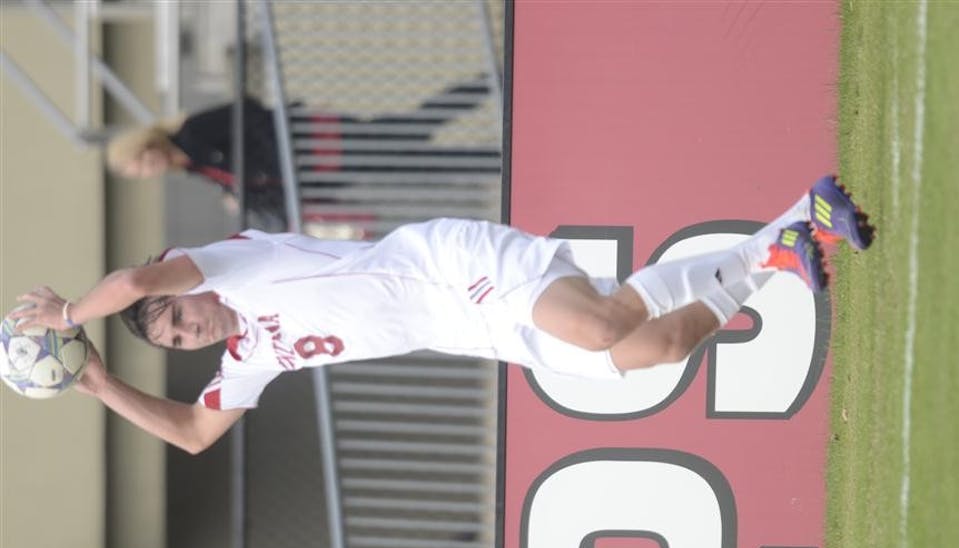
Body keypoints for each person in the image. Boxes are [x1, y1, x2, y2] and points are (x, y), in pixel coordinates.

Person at [12, 176, 872, 456]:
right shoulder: (248, 360)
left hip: (451, 266)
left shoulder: (235, 262)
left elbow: (129, 280)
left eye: (175, 314)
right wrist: (91, 379)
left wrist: (68, 311)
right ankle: (785, 240)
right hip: (476, 330)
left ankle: (790, 233)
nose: (185, 329)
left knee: (604, 325)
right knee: (656, 347)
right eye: (172, 337)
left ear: (181, 279)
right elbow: (195, 435)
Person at [105, 77, 499, 231]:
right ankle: (493, 154)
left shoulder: (193, 133)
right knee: (409, 153)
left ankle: (489, 90)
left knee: (410, 135)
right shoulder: (196, 168)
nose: (145, 168)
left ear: (146, 144)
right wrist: (241, 196)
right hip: (321, 166)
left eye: (138, 160)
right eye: (137, 172)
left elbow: (250, 112)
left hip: (318, 142)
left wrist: (248, 174)